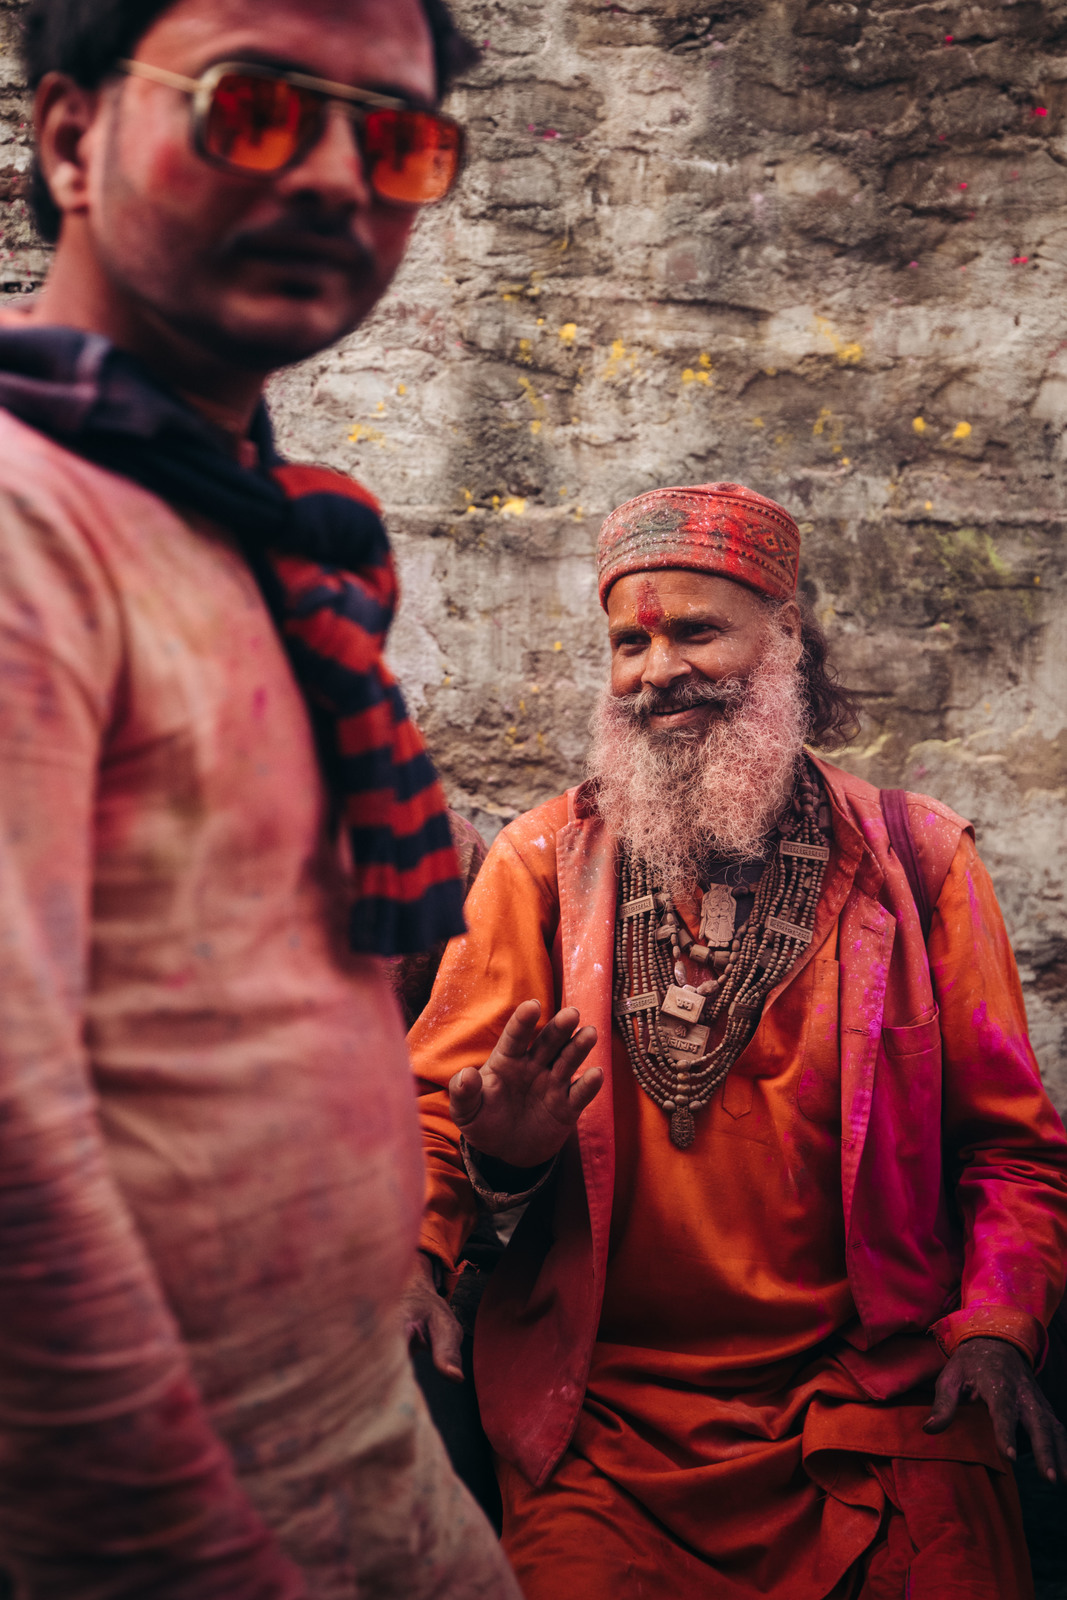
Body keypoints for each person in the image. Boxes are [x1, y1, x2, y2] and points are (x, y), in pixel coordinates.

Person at [0, 0, 522, 1595]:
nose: (330, 179)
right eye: (251, 109)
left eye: (395, 139)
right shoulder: (31, 535)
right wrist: (182, 1548)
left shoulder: (253, 529)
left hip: (353, 1449)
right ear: (72, 135)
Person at [406, 481, 1067, 1599]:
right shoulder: (535, 866)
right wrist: (440, 1223)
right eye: (629, 642)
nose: (656, 668)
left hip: (871, 1400)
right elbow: (429, 1108)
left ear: (786, 638)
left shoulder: (920, 865)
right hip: (601, 1416)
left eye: (694, 630)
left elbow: (1009, 1150)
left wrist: (997, 1326)